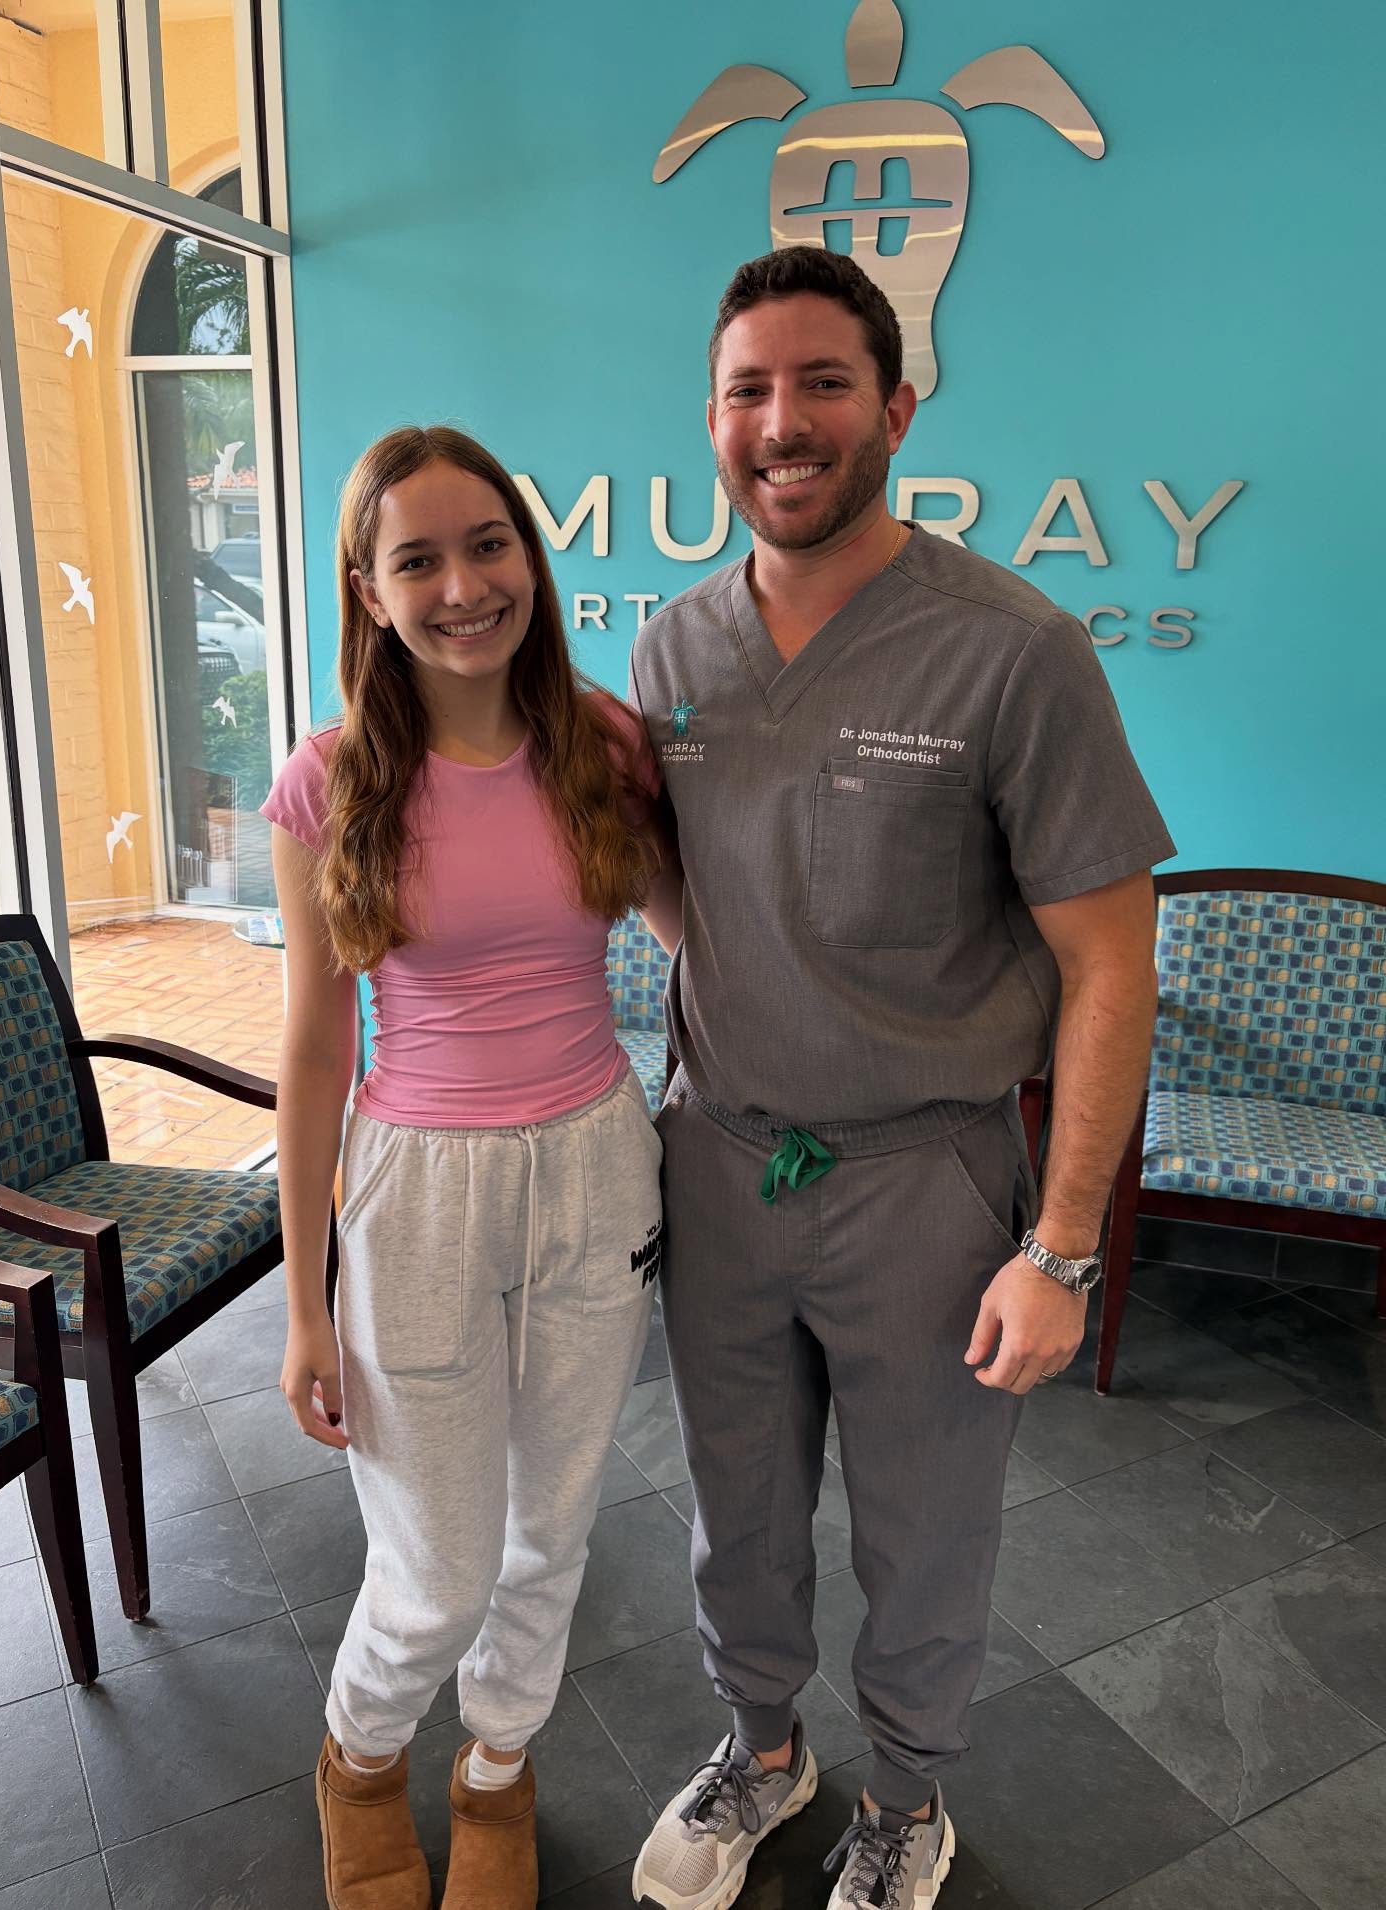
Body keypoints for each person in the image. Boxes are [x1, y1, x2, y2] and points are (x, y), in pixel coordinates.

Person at [628, 248, 1175, 1910]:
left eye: (821, 383)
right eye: (746, 390)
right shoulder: (672, 652)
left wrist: (1063, 1241)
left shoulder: (1015, 652)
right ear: (712, 418)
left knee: (924, 1527)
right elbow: (675, 889)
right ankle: (765, 1749)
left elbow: (1109, 964)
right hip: (717, 1157)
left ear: (898, 407)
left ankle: (908, 1796)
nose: (780, 422)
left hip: (927, 1181)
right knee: (736, 1507)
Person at [263, 424, 677, 1910]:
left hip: (592, 1162)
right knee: (435, 1562)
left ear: (529, 555)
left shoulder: (605, 742)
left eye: (486, 543)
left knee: (550, 1526)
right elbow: (315, 1050)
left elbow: (698, 930)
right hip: (415, 1181)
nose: (461, 584)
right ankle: (362, 1754)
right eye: (417, 557)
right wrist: (307, 1303)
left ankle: (497, 1769)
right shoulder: (328, 786)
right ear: (368, 590)